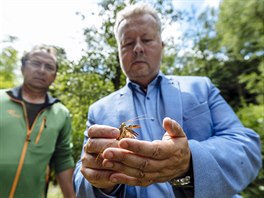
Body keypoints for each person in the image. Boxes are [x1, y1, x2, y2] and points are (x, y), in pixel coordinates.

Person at [73, 2, 262, 198]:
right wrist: (100, 183)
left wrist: (190, 161)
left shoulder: (202, 87)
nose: (138, 48)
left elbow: (247, 147)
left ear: (161, 45)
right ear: (119, 52)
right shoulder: (99, 110)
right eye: (128, 43)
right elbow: (81, 180)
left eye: (146, 39)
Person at [0, 45, 75, 198]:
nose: (41, 70)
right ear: (23, 67)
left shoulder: (61, 114)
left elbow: (63, 160)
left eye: (49, 67)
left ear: (54, 76)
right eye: (35, 63)